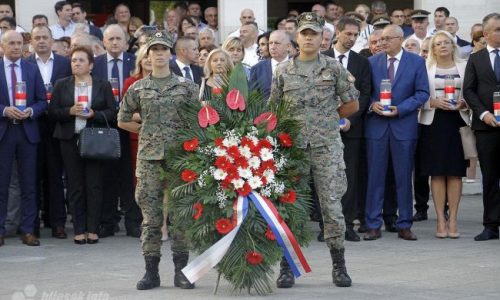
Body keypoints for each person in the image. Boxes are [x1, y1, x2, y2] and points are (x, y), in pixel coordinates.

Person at [269, 12, 359, 288]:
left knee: (332, 207)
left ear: (322, 38)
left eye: (314, 33)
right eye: (304, 33)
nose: (309, 37)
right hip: (293, 150)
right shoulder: (283, 71)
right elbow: (274, 110)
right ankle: (287, 267)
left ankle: (339, 266)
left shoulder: (333, 68)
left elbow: (352, 104)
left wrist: (329, 120)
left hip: (326, 147)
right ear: (297, 38)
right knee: (291, 208)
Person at [118, 31, 198, 290]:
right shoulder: (138, 87)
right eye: (155, 50)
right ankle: (151, 272)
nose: (160, 54)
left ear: (170, 53)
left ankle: (181, 271)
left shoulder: (186, 87)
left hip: (178, 160)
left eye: (164, 49)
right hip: (149, 159)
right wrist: (144, 130)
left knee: (179, 217)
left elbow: (198, 120)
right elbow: (122, 118)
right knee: (151, 218)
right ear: (148, 55)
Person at [363, 25, 429, 241]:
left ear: (400, 39)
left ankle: (405, 224)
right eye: (380, 39)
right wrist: (372, 105)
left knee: (403, 177)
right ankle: (373, 224)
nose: (382, 43)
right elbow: (364, 94)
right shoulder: (372, 62)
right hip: (377, 127)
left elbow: (422, 93)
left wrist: (400, 109)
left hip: (403, 126)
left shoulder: (416, 62)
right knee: (375, 177)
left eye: (387, 39)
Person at [49, 46, 115, 245]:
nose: (76, 64)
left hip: (94, 139)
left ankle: (93, 229)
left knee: (94, 185)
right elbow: (52, 113)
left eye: (80, 60)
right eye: (73, 60)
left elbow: (113, 112)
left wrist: (95, 114)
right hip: (70, 139)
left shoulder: (102, 85)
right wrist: (69, 111)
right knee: (75, 185)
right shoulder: (61, 85)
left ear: (91, 65)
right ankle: (79, 229)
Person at [323, 17, 371, 242]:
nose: (351, 39)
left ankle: (348, 223)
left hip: (352, 130)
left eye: (355, 35)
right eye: (348, 34)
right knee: (325, 178)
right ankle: (328, 225)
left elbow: (365, 94)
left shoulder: (362, 63)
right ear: (338, 33)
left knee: (349, 177)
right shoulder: (322, 59)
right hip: (323, 129)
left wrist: (351, 119)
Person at [418, 31, 469, 238]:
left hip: (457, 122)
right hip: (433, 123)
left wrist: (464, 103)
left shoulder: (464, 66)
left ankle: (453, 219)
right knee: (437, 173)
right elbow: (417, 93)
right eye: (438, 44)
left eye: (447, 42)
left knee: (455, 173)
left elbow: (471, 91)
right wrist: (431, 102)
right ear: (433, 48)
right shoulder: (425, 68)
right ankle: (440, 219)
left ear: (453, 45)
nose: (443, 46)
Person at [92, 24, 141, 238]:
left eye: (118, 39)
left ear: (125, 41)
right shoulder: (96, 63)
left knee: (130, 176)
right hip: (106, 126)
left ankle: (133, 221)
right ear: (103, 41)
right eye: (110, 39)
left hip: (131, 127)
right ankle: (108, 221)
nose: (114, 42)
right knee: (108, 176)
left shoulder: (134, 62)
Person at [0, 30, 47, 247]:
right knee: (2, 184)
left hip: (27, 131)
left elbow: (41, 101)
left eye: (19, 43)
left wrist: (30, 111)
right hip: (4, 131)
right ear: (3, 46)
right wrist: (4, 110)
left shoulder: (31, 68)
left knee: (29, 184)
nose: (16, 47)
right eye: (12, 43)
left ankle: (28, 230)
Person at [27, 25, 72, 239]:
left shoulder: (64, 63)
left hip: (57, 125)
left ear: (52, 40)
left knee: (55, 175)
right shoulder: (25, 64)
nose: (42, 41)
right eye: (37, 38)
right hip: (32, 125)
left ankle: (58, 223)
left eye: (45, 37)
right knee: (33, 176)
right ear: (32, 41)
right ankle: (32, 224)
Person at [463, 13, 500, 241]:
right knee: (490, 177)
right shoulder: (476, 59)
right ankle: (491, 225)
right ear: (486, 34)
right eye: (497, 29)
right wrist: (484, 114)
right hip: (487, 127)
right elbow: (468, 90)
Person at [250, 30, 290, 100]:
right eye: (270, 43)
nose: (272, 47)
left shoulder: (299, 65)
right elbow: (253, 99)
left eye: (277, 43)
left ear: (288, 46)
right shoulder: (257, 69)